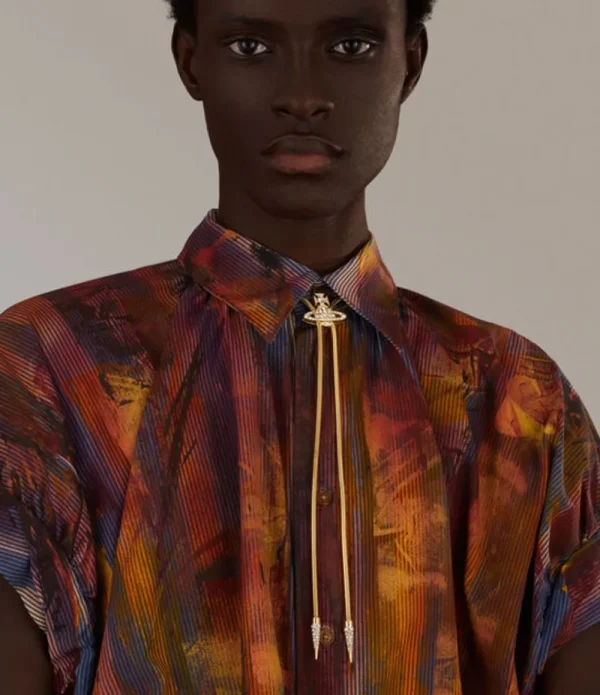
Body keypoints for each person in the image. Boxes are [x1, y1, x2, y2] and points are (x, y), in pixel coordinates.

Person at [0, 0, 598, 692]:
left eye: (351, 46)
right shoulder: (50, 366)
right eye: (251, 46)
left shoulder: (517, 396)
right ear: (191, 60)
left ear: (410, 61)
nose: (304, 97)